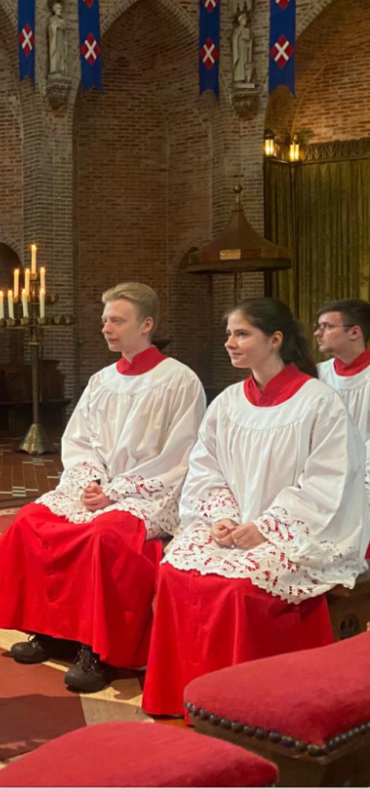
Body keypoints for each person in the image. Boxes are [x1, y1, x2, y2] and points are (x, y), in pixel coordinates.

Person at [143, 298, 368, 717]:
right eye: (229, 333)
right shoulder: (228, 402)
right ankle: (188, 697)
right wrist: (222, 516)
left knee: (240, 590)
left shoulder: (317, 402)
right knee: (176, 571)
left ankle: (247, 709)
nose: (230, 342)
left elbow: (328, 481)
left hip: (301, 531)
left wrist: (267, 526)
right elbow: (206, 468)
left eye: (241, 333)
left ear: (276, 339)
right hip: (233, 525)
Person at [0, 283, 205, 693]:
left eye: (117, 320)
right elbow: (80, 441)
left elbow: (180, 453)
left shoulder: (179, 381)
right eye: (105, 320)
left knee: (107, 537)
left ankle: (99, 649)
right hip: (97, 485)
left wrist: (118, 491)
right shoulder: (102, 380)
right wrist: (90, 480)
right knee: (32, 522)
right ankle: (51, 630)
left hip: (150, 491)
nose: (106, 328)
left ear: (146, 325)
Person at [315, 299, 370, 441]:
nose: (317, 333)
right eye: (319, 326)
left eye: (326, 326)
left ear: (354, 332)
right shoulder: (317, 375)